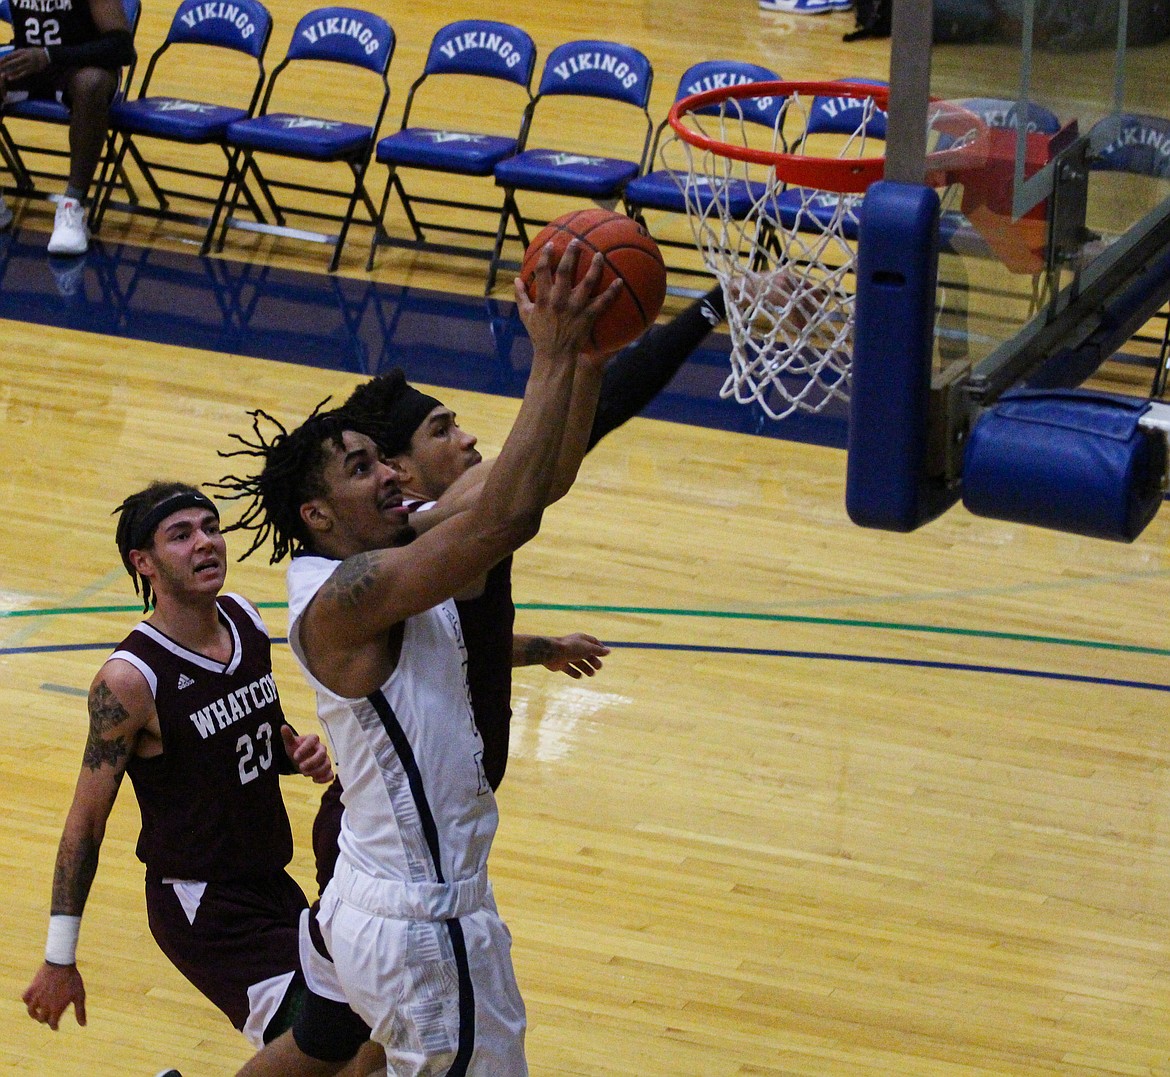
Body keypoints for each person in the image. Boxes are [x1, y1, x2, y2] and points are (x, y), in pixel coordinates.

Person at [213, 279, 731, 1077]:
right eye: (361, 469)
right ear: (317, 514)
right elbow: (506, 517)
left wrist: (584, 364)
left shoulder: (387, 539)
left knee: (323, 1047)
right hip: (419, 920)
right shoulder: (343, 601)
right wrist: (549, 355)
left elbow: (537, 481)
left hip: (368, 886)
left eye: (384, 459)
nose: (389, 475)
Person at [21, 482, 334, 1053]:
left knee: (349, 1045)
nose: (205, 544)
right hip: (204, 904)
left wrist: (293, 753)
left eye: (211, 528)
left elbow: (253, 732)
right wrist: (58, 957)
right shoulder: (129, 681)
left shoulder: (244, 618)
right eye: (181, 535)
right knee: (332, 1043)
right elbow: (84, 824)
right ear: (144, 562)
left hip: (269, 880)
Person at [0, 0, 135, 253]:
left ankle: (73, 204)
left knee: (91, 85)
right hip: (30, 62)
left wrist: (51, 55)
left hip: (83, 65)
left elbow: (123, 48)